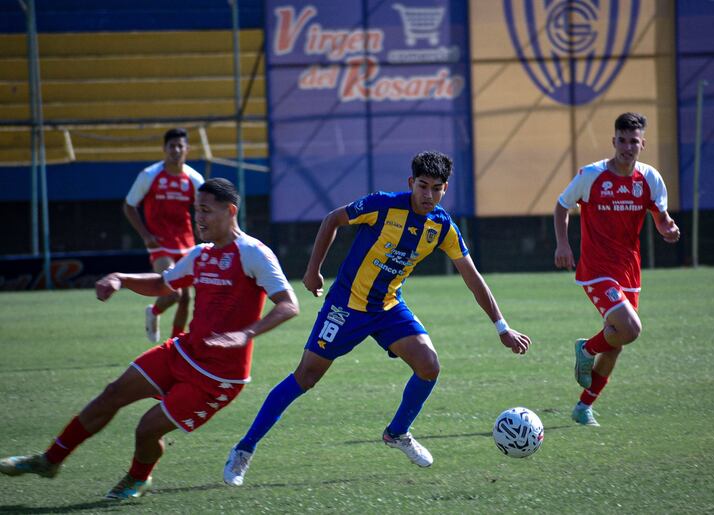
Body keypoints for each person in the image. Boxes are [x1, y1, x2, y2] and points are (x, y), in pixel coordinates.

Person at [223, 150, 532, 486]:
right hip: (346, 306)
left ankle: (397, 432)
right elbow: (332, 219)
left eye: (436, 188)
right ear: (411, 183)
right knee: (306, 377)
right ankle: (244, 449)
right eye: (423, 186)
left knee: (429, 365)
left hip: (387, 308)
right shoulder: (383, 205)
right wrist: (313, 271)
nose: (428, 194)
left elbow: (473, 278)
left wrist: (501, 326)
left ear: (446, 189)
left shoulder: (442, 227)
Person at [0, 178, 299, 500]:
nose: (198, 218)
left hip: (218, 378)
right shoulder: (201, 255)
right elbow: (162, 283)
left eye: (205, 211)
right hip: (184, 351)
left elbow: (289, 304)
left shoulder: (254, 253)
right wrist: (122, 278)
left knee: (146, 428)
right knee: (112, 393)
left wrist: (245, 333)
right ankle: (49, 461)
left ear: (230, 211)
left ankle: (137, 479)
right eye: (195, 210)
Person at [553, 112, 680, 427]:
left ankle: (584, 407)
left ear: (642, 144)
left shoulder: (650, 179)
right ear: (614, 141)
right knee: (630, 328)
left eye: (633, 141)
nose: (627, 147)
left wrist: (668, 229)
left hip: (629, 270)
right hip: (597, 268)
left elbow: (661, 217)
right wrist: (563, 244)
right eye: (622, 140)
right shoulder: (592, 175)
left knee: (618, 341)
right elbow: (561, 205)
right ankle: (586, 348)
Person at [124, 128, 204, 343]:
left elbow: (203, 208)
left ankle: (174, 344)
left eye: (180, 146)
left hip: (186, 243)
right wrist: (145, 235)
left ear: (187, 150)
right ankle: (154, 312)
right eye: (172, 146)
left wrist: (201, 229)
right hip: (159, 243)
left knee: (187, 297)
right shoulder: (150, 175)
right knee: (174, 292)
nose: (176, 150)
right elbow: (129, 206)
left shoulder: (194, 178)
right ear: (164, 149)